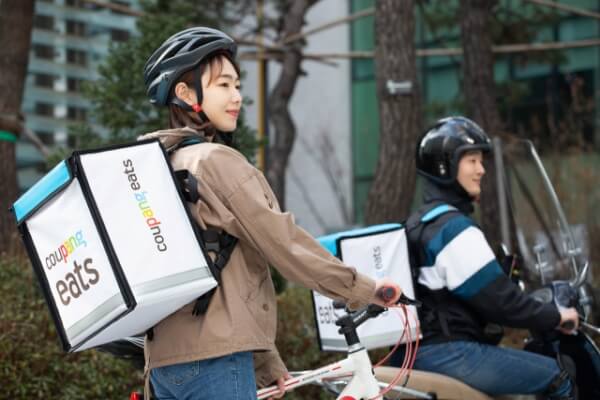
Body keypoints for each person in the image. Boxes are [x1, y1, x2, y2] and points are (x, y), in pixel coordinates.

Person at [139, 27, 402, 400]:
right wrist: (365, 288)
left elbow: (219, 270)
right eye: (223, 85)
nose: (237, 96)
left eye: (237, 85)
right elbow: (285, 244)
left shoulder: (159, 165)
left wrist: (265, 362)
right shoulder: (216, 161)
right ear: (185, 93)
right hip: (216, 363)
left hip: (165, 368)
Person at [389, 116, 579, 399]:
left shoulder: (417, 224)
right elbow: (501, 302)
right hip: (450, 354)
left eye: (481, 161)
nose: (481, 170)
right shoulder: (454, 230)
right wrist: (556, 316)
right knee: (560, 376)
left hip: (412, 354)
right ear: (444, 167)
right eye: (472, 161)